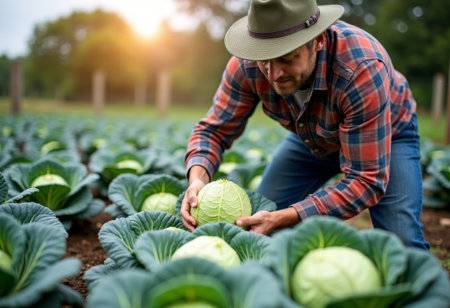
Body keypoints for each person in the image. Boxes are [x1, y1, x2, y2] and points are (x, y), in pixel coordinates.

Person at [180, 0, 429, 250]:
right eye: (265, 61)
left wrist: (285, 217)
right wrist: (197, 180)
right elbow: (214, 130)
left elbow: (365, 180)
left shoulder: (360, 68)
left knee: (403, 243)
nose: (274, 73)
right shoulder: (247, 65)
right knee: (260, 219)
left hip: (385, 138)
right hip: (311, 139)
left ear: (318, 40)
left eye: (287, 58)